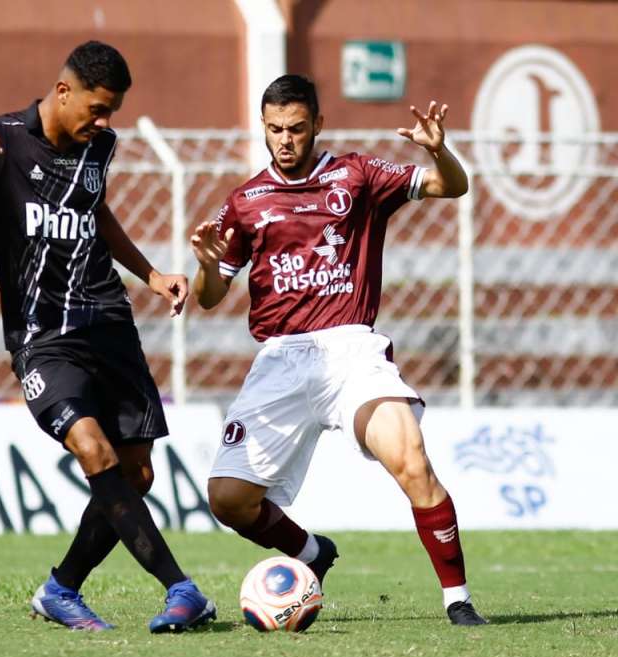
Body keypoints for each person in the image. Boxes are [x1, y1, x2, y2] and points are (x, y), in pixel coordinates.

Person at [0, 41, 215, 633]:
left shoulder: (98, 147)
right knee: (92, 449)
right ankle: (182, 589)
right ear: (62, 92)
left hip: (108, 322)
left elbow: (95, 210)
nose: (104, 123)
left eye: (112, 113)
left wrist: (151, 274)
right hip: (42, 337)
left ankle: (61, 589)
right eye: (98, 109)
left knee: (137, 475)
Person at [191, 75, 487, 626]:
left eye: (297, 129)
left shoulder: (358, 176)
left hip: (351, 350)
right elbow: (210, 299)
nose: (286, 139)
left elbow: (454, 187)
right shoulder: (246, 203)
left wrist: (440, 151)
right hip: (280, 358)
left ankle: (458, 600)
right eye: (275, 129)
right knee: (228, 500)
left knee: (411, 456)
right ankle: (311, 554)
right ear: (263, 126)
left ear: (317, 125)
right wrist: (208, 266)